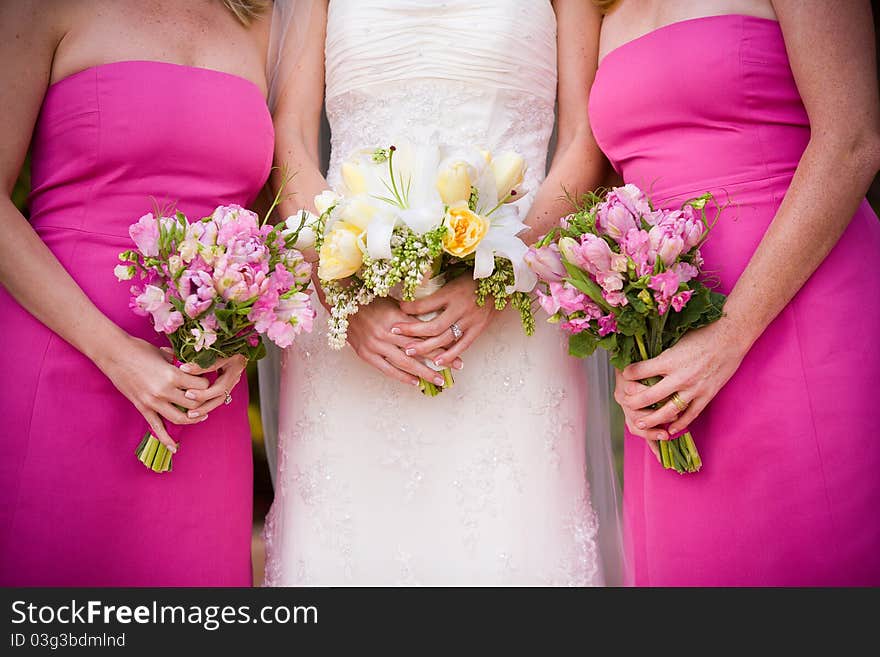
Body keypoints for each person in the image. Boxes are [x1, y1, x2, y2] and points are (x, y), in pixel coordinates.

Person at [260, 0, 623, 585]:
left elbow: (586, 137)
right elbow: (291, 134)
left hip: (512, 316)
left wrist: (506, 274)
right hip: (355, 323)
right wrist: (340, 288)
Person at [594, 0, 880, 585]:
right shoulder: (596, 8)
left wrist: (728, 335)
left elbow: (851, 142)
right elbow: (595, 180)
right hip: (670, 346)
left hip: (805, 312)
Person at [0, 0, 272, 586]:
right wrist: (115, 352)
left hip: (200, 394)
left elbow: (271, 220)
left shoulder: (261, 21)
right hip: (61, 358)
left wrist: (240, 339)